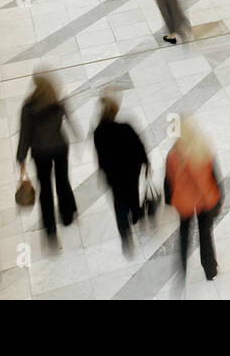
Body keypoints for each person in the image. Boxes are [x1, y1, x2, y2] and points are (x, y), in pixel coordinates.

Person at [16, 72, 77, 248]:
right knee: (63, 181)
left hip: (41, 152)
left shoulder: (28, 107)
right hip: (60, 148)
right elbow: (70, 120)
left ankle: (50, 230)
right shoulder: (57, 102)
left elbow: (25, 134)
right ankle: (67, 216)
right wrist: (75, 133)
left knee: (46, 190)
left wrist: (21, 157)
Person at [164, 116, 222, 282]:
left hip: (184, 202)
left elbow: (168, 182)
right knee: (205, 235)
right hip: (205, 201)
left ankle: (182, 268)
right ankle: (210, 270)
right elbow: (214, 176)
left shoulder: (173, 156)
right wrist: (219, 199)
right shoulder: (202, 149)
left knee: (184, 232)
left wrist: (169, 201)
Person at [93, 92, 150, 257]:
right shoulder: (126, 128)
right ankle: (136, 215)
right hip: (132, 172)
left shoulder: (98, 133)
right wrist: (146, 163)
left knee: (119, 205)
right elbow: (139, 146)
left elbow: (101, 158)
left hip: (114, 177)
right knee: (133, 195)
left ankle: (126, 236)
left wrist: (103, 173)